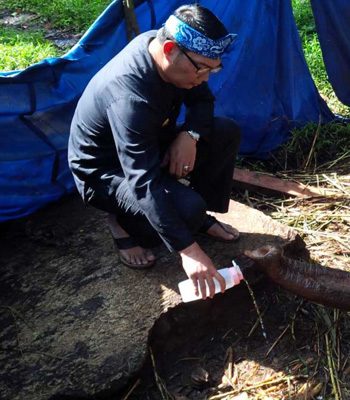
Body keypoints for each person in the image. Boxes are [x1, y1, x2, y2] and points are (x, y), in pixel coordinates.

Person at [68, 4, 242, 299]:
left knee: (225, 132)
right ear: (170, 50)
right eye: (202, 69)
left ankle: (198, 220)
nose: (206, 77)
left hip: (148, 144)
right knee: (186, 210)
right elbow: (143, 181)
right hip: (106, 172)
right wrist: (189, 252)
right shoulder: (129, 96)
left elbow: (203, 102)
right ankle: (122, 223)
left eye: (214, 69)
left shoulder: (168, 51)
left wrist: (190, 135)